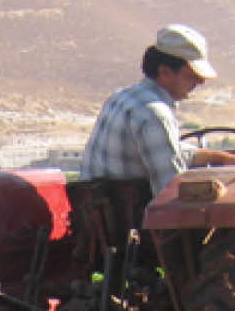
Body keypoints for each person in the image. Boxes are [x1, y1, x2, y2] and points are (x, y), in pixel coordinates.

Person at [79, 23, 217, 196]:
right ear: (165, 72)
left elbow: (163, 151)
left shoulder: (121, 97)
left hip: (99, 203)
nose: (200, 82)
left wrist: (219, 157)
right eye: (191, 75)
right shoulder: (154, 113)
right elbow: (170, 191)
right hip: (129, 210)